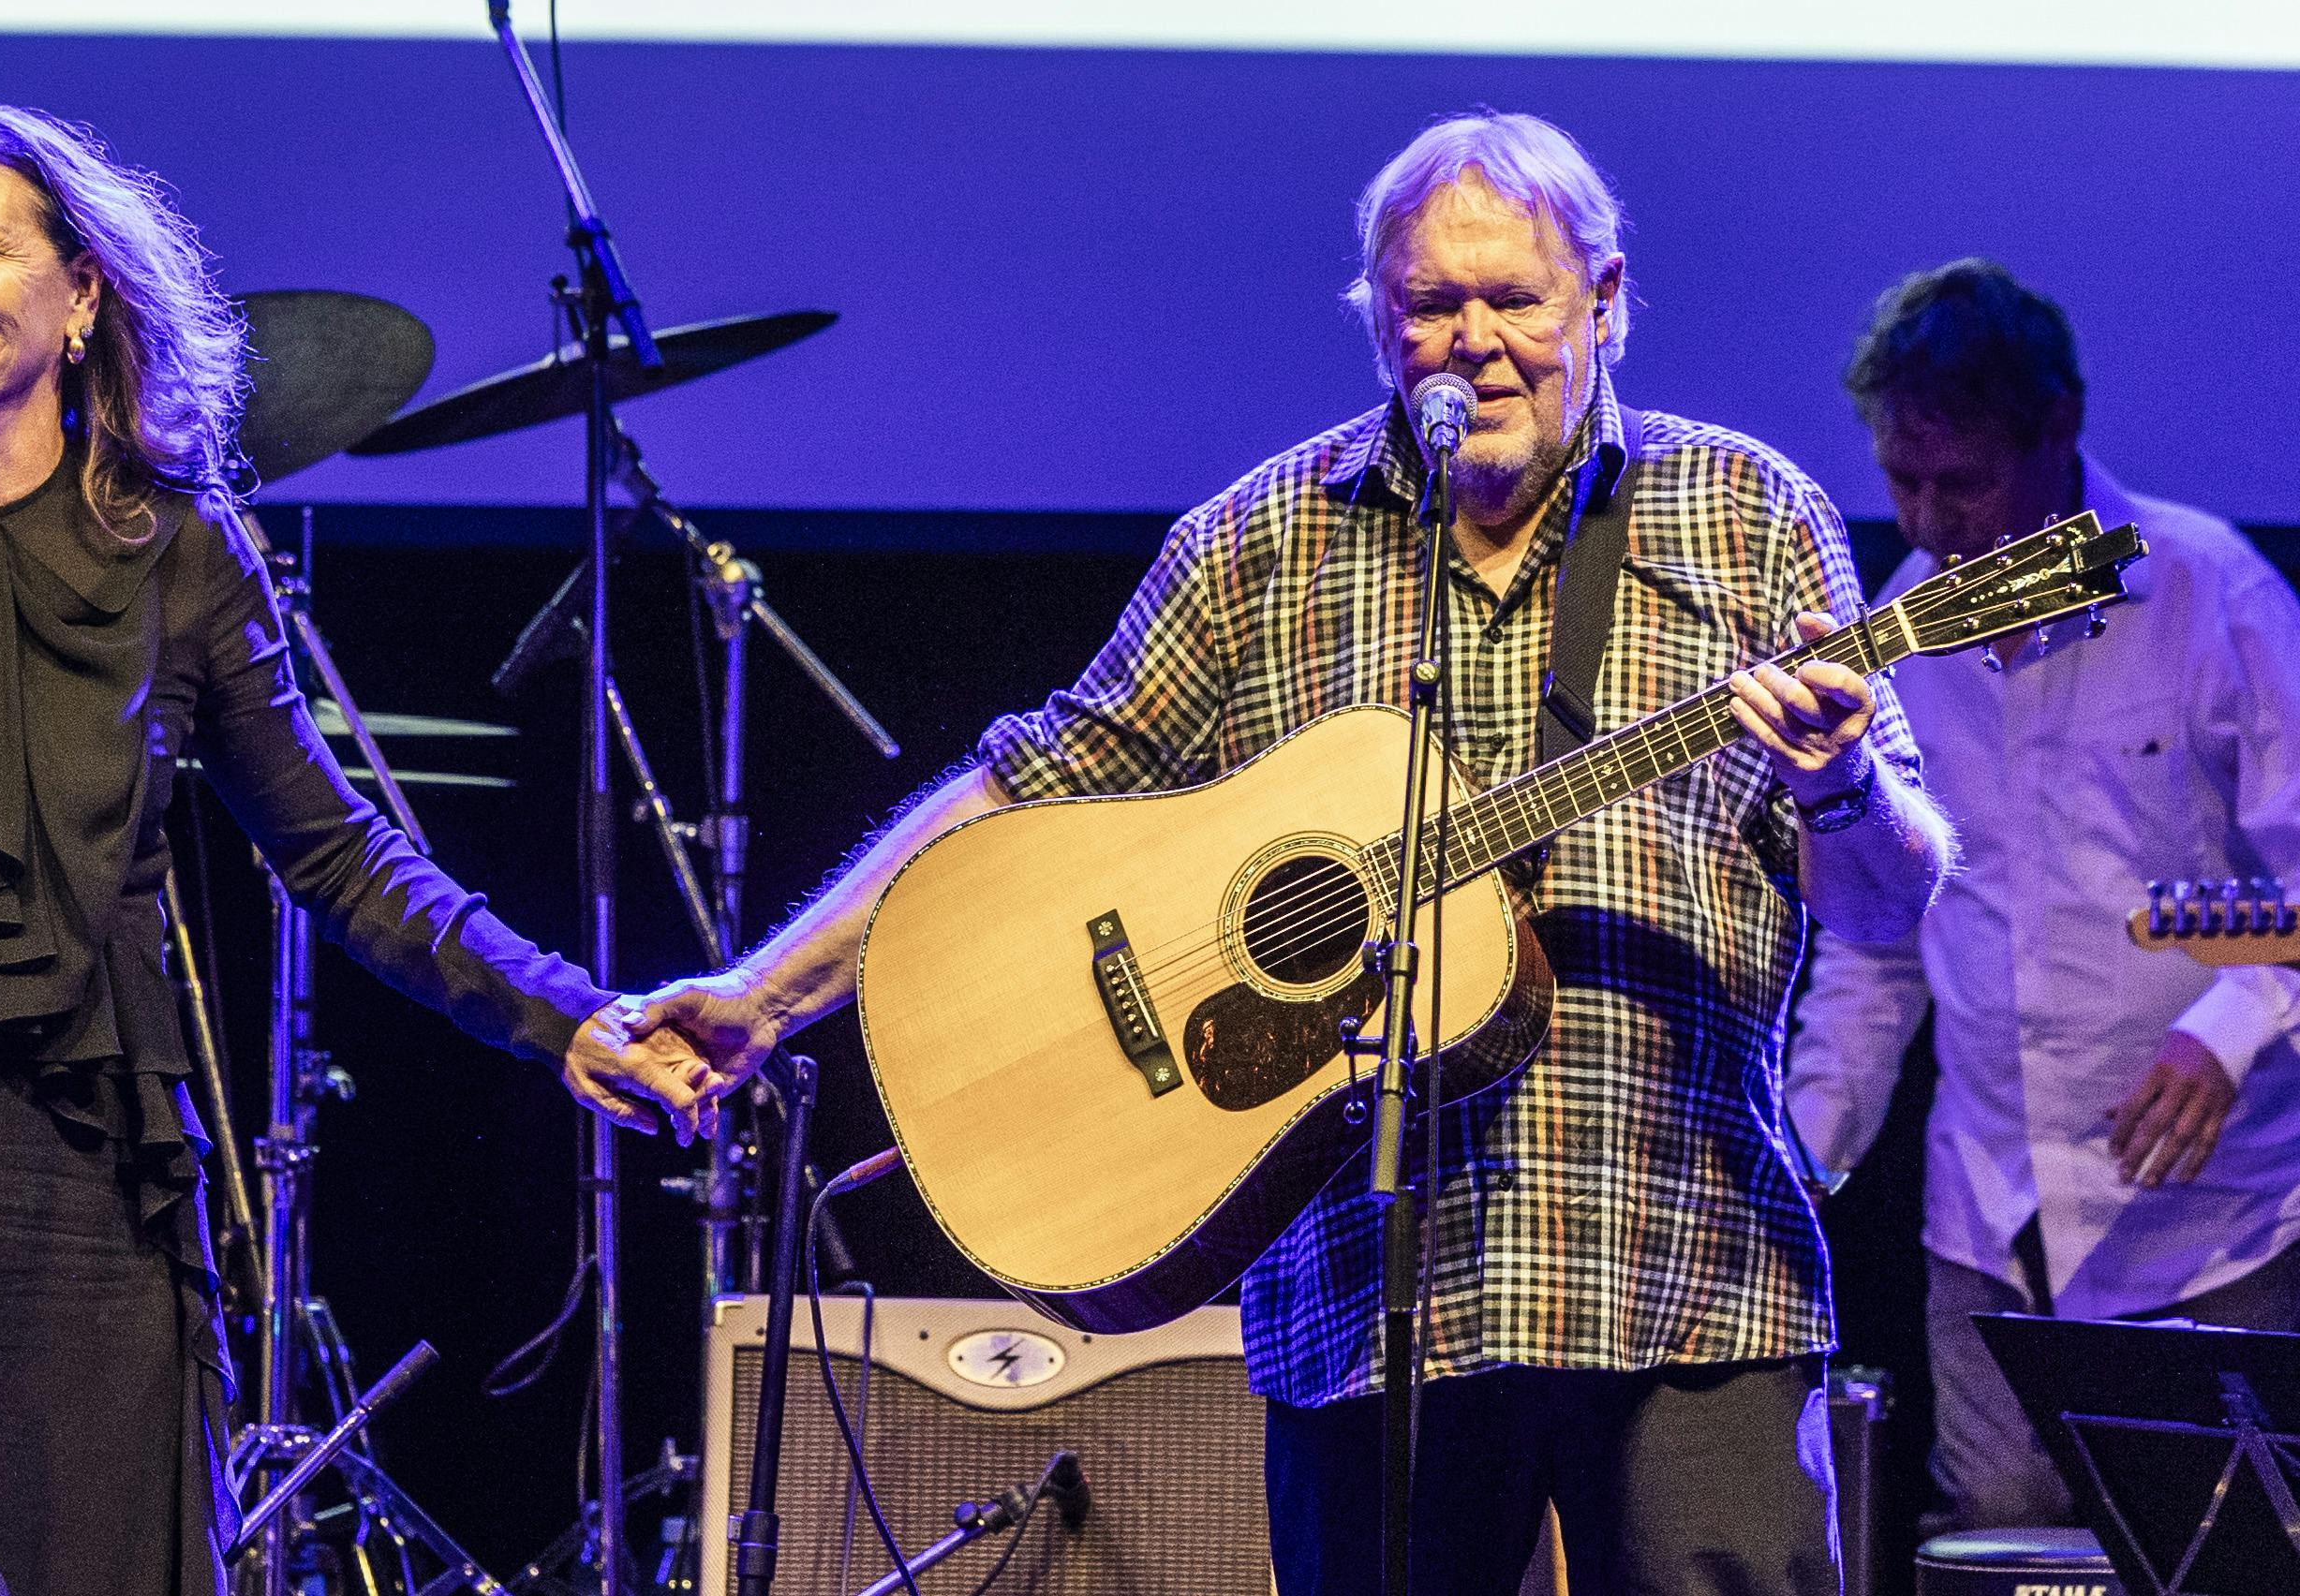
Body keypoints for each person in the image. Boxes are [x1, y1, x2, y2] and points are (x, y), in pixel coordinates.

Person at [627, 112, 1954, 1595]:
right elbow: (1027, 786)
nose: (1475, 343)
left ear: (1607, 300)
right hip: (1364, 1294)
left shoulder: (1749, 514)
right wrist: (757, 998)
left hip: (1683, 1272)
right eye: (1428, 306)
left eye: (1516, 299)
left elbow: (1894, 899)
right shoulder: (1260, 542)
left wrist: (1840, 782)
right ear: (1377, 321)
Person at [0, 97, 714, 1595]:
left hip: (82, 1178)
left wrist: (566, 1015)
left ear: (82, 299)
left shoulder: (179, 548)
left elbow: (340, 858)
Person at [1787, 259, 2300, 1534]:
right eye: (1903, 483)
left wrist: (2227, 1033)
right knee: (1993, 1567)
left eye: (1964, 482)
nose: (1932, 521)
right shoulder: (1901, 632)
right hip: (1990, 1225)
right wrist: (1801, 1157)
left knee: (2223, 1564)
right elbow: (1878, 947)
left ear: (2058, 429)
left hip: (2212, 1232)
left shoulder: (2212, 593)